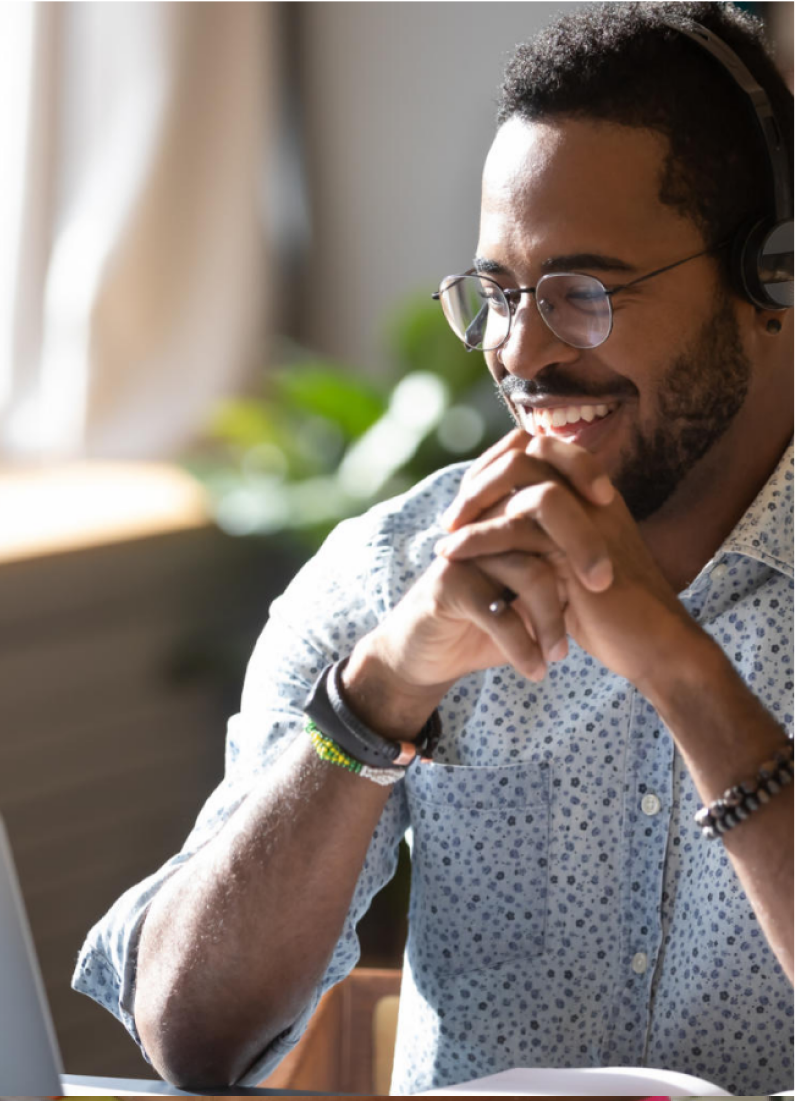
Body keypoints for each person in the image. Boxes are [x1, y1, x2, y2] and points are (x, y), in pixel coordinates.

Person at [71, 2, 795, 1094]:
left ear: (768, 279)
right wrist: (378, 693)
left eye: (582, 293)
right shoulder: (393, 572)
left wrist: (680, 671)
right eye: (498, 293)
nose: (519, 352)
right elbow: (190, 1038)